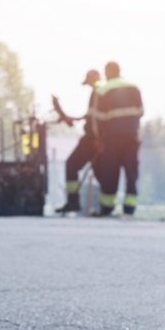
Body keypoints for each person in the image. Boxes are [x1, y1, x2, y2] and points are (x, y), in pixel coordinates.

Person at [92, 62, 144, 216]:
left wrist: (99, 138)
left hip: (112, 138)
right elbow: (141, 111)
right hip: (131, 137)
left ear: (107, 72)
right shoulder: (134, 86)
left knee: (110, 172)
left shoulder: (102, 89)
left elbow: (98, 118)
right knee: (131, 172)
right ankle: (129, 208)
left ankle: (107, 207)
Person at [55, 69, 101, 214]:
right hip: (96, 137)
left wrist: (98, 137)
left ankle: (73, 201)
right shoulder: (98, 92)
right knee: (100, 171)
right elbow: (90, 116)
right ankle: (104, 206)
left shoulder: (98, 91)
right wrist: (73, 119)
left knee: (72, 164)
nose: (88, 85)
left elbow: (95, 118)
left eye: (89, 82)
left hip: (93, 138)